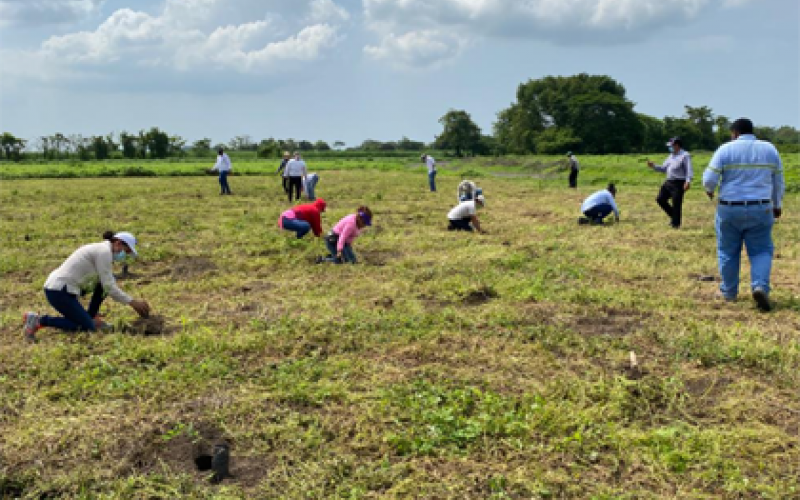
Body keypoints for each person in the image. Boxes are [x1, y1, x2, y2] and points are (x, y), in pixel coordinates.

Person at [703, 118, 785, 312]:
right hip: (761, 207)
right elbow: (778, 181)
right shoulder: (769, 149)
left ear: (735, 133)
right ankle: (759, 287)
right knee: (761, 250)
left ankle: (729, 292)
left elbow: (709, 179)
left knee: (728, 251)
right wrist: (777, 204)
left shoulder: (725, 149)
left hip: (730, 208)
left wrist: (710, 190)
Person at [22, 231, 151, 342]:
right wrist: (133, 302)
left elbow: (105, 283)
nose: (124, 255)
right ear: (118, 243)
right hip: (59, 291)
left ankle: (91, 316)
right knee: (87, 327)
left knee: (107, 281)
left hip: (65, 289)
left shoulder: (102, 250)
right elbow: (109, 287)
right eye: (125, 251)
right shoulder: (104, 252)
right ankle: (39, 320)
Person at [647, 137, 693, 228]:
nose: (670, 148)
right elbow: (664, 168)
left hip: (679, 182)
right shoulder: (671, 156)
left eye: (671, 146)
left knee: (676, 203)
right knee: (660, 199)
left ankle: (675, 224)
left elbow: (689, 170)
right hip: (668, 182)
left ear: (677, 145)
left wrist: (688, 181)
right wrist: (654, 166)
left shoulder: (685, 155)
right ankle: (674, 217)